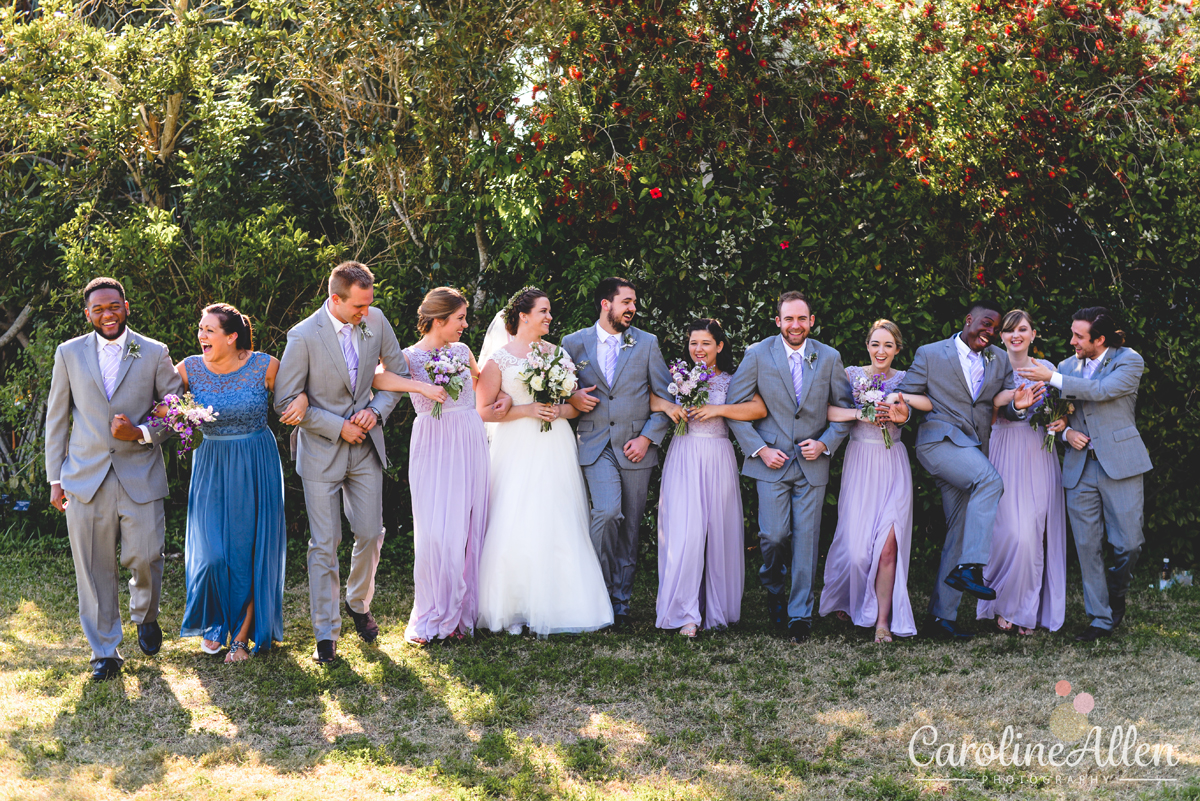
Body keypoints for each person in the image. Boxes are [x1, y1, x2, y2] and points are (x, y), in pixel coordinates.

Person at [45, 277, 184, 681]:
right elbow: (56, 420)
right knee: (93, 566)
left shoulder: (155, 352)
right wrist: (56, 478)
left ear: (127, 306)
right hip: (85, 477)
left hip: (139, 472)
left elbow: (176, 412)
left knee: (146, 554)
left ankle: (146, 615)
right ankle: (104, 650)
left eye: (114, 306)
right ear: (87, 313)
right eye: (98, 309)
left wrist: (140, 433)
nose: (107, 314)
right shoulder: (68, 353)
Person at [273, 261, 407, 664]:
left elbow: (396, 373)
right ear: (335, 299)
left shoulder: (376, 319)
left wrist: (377, 412)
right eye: (358, 307)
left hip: (366, 447)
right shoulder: (302, 336)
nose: (366, 313)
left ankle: (357, 602)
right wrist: (336, 426)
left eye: (369, 305)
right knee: (325, 544)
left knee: (370, 533)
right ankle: (325, 633)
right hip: (320, 452)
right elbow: (284, 401)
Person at [888, 300, 1042, 641]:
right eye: (985, 324)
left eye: (994, 328)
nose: (988, 332)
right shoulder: (931, 353)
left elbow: (999, 407)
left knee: (960, 529)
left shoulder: (998, 359)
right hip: (938, 443)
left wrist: (1018, 406)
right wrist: (902, 413)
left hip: (973, 450)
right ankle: (971, 567)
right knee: (991, 481)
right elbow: (906, 398)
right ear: (969, 320)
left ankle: (940, 620)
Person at [474, 287, 613, 636]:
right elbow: (482, 412)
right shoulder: (499, 361)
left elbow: (571, 407)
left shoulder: (559, 355)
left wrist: (559, 409)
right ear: (523, 316)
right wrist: (526, 410)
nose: (549, 317)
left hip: (555, 446)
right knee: (517, 517)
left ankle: (564, 603)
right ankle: (515, 606)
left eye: (549, 312)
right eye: (543, 311)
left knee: (558, 517)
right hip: (516, 448)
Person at [725, 291, 855, 643]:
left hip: (811, 465)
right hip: (771, 464)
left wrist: (826, 442)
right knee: (774, 536)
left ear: (811, 321)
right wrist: (759, 449)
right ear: (778, 321)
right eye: (788, 319)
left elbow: (843, 411)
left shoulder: (828, 357)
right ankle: (772, 585)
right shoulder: (756, 354)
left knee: (807, 541)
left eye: (802, 319)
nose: (795, 325)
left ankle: (800, 614)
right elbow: (733, 409)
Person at [1015, 307, 1151, 642]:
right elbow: (1056, 415)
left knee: (1128, 544)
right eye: (1072, 334)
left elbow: (1102, 391)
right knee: (1087, 546)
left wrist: (1050, 378)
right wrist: (1063, 434)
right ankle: (1100, 619)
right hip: (1079, 467)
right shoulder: (1065, 366)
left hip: (1120, 463)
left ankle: (1116, 593)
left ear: (1099, 339)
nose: (1071, 341)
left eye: (1079, 336)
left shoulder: (1128, 360)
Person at [372, 287, 493, 645]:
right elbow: (377, 378)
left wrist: (495, 405)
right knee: (435, 531)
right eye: (459, 319)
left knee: (468, 528)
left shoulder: (461, 350)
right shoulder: (409, 356)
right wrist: (420, 389)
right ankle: (433, 611)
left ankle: (461, 616)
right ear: (439, 321)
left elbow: (480, 380)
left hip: (469, 437)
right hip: (432, 442)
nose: (465, 325)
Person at [176, 303, 290, 662]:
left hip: (256, 462)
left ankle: (241, 637)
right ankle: (213, 624)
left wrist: (300, 400)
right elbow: (159, 402)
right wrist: (173, 415)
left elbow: (296, 394)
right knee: (212, 554)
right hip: (211, 463)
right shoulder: (188, 368)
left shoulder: (265, 365)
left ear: (232, 336)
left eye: (209, 330)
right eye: (200, 329)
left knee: (250, 550)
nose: (201, 336)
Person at [562, 277, 673, 629]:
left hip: (635, 447)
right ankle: (592, 594)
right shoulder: (573, 343)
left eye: (634, 302)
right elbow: (559, 390)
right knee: (607, 513)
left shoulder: (647, 343)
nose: (632, 308)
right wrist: (572, 399)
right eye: (626, 302)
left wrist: (647, 438)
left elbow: (665, 399)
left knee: (629, 530)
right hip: (594, 445)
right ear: (605, 304)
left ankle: (619, 604)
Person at [654, 319, 766, 637]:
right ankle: (685, 613)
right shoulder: (678, 378)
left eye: (705, 343)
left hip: (718, 457)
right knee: (685, 533)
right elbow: (650, 397)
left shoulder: (732, 380)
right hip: (684, 455)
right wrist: (668, 406)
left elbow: (758, 409)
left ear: (719, 346)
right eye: (693, 343)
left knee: (717, 532)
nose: (698, 349)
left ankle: (715, 608)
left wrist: (720, 411)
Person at [819, 320, 916, 644]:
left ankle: (882, 623)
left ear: (897, 350)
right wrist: (859, 414)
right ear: (867, 346)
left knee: (889, 549)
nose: (881, 351)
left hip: (893, 466)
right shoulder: (851, 376)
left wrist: (903, 415)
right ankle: (849, 599)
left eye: (888, 345)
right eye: (876, 344)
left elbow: (915, 409)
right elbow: (829, 411)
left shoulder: (904, 381)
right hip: (860, 465)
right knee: (858, 551)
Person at [975, 311, 1067, 636]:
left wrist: (1061, 422)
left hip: (1039, 453)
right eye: (1009, 330)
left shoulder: (1048, 369)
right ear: (1000, 336)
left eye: (1022, 329)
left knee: (1032, 533)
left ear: (1033, 334)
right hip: (1003, 451)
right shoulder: (992, 367)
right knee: (1008, 531)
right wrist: (1012, 398)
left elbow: (1063, 407)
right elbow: (989, 403)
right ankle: (999, 602)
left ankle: (1022, 611)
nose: (1016, 334)